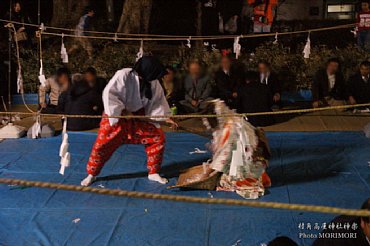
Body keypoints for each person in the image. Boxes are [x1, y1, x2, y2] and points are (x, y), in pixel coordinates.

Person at [81, 56, 177, 187]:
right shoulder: (124, 75)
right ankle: (92, 173)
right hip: (118, 115)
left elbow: (157, 103)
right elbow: (110, 94)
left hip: (139, 116)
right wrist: (124, 112)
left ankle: (153, 172)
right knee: (102, 144)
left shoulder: (153, 82)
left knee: (157, 138)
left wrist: (166, 118)